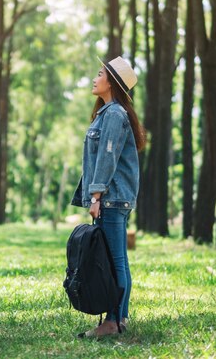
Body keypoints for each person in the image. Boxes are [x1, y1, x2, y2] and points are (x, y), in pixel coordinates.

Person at [71, 56, 145, 338]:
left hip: (111, 198)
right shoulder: (109, 113)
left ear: (111, 82)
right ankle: (119, 318)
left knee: (114, 261)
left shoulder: (114, 115)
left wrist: (96, 195)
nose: (95, 77)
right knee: (117, 260)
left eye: (100, 73)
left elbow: (108, 157)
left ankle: (113, 321)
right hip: (114, 198)